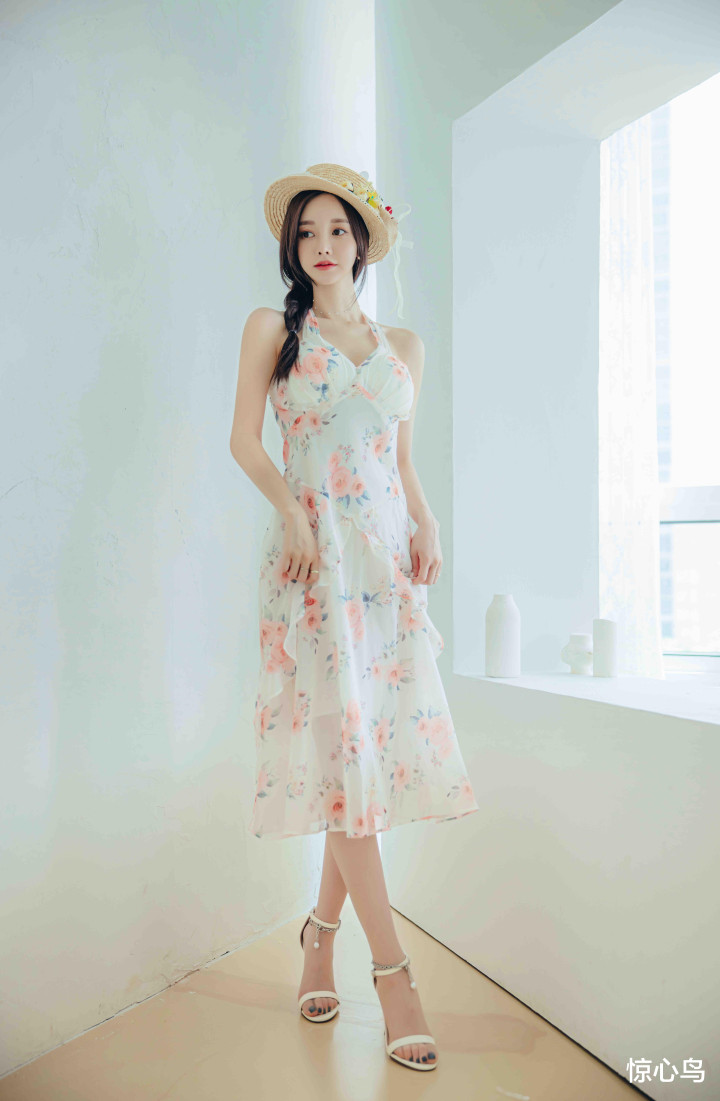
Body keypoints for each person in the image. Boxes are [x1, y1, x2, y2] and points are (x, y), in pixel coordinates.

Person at [229, 163, 480, 1072]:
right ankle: (394, 972)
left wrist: (427, 519)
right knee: (347, 763)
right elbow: (245, 441)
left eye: (337, 229)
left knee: (360, 761)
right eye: (306, 232)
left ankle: (319, 935)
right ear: (291, 246)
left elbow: (399, 458)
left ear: (364, 239)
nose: (321, 245)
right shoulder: (274, 329)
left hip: (383, 565)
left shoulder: (402, 343)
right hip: (312, 566)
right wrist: (293, 514)